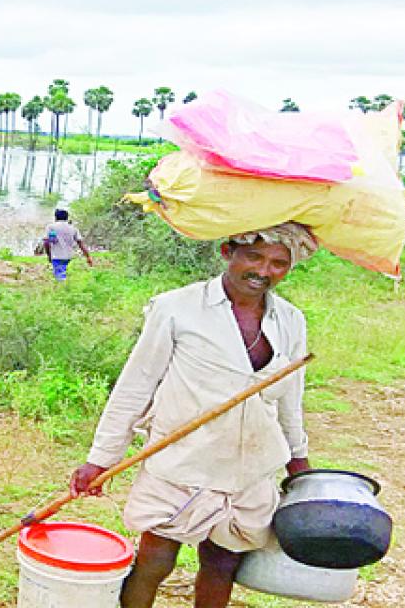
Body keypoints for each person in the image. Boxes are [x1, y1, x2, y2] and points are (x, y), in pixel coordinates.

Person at [69, 223, 317, 608]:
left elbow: (290, 399)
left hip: (248, 467)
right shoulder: (176, 308)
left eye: (278, 263)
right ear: (227, 252)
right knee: (155, 559)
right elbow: (137, 385)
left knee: (222, 562)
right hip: (182, 460)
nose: (264, 271)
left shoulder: (290, 321)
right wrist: (100, 459)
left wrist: (299, 464)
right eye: (254, 257)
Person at [42, 209, 93, 280]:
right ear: (67, 217)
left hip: (57, 256)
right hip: (69, 256)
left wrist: (49, 255)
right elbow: (81, 244)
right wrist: (88, 257)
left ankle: (63, 289)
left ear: (56, 217)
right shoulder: (73, 228)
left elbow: (46, 242)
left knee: (60, 278)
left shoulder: (51, 227)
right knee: (67, 276)